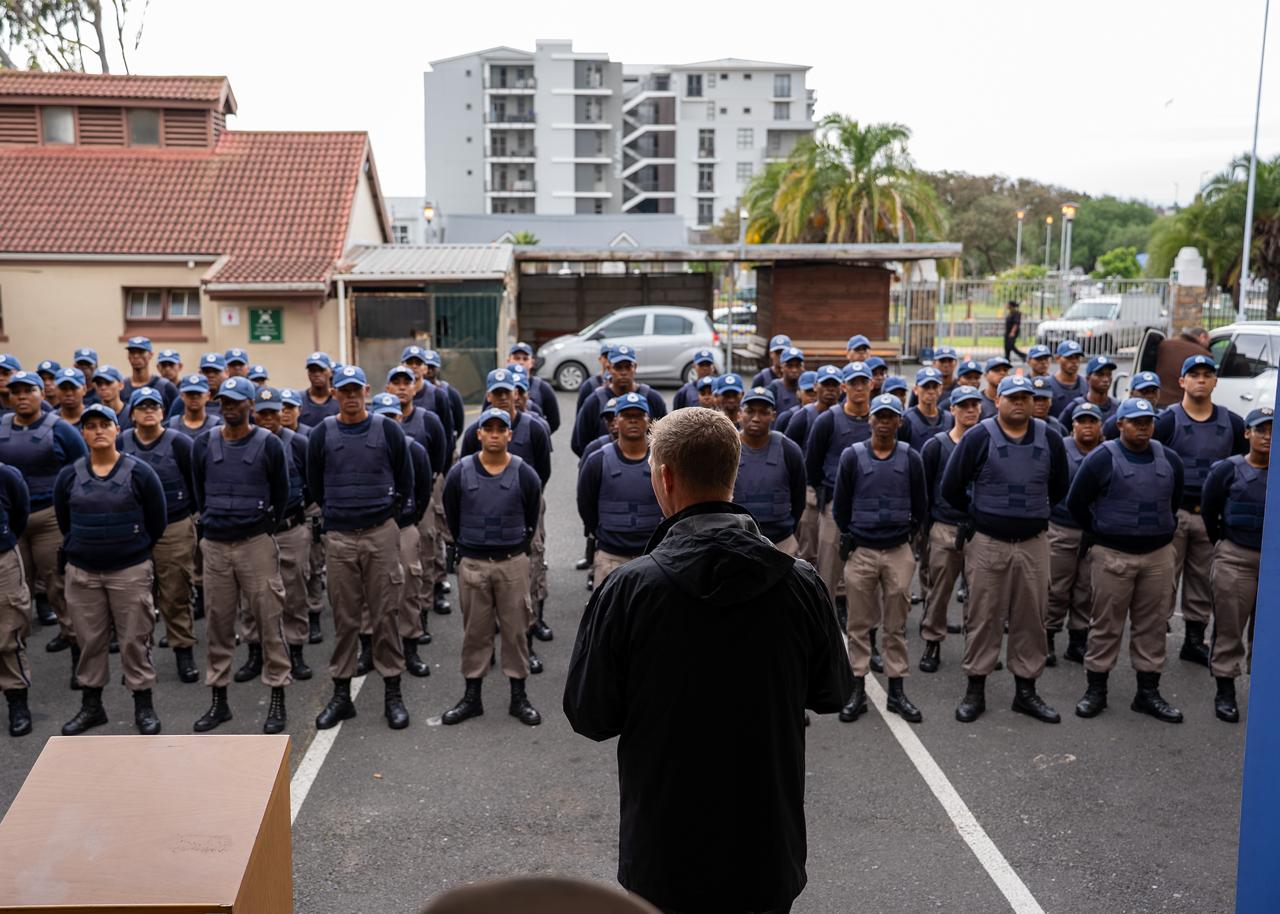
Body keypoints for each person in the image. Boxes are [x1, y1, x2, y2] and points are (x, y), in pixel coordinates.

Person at [564, 406, 853, 914]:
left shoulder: (629, 589)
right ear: (733, 475)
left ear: (665, 477)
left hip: (664, 851)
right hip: (766, 845)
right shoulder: (800, 582)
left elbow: (590, 715)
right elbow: (832, 692)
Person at [940, 375, 1068, 724]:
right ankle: (975, 689)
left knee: (1031, 617)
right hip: (988, 543)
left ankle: (1026, 691)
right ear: (997, 401)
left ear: (1033, 401)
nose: (1018, 403)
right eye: (1011, 397)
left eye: (1025, 397)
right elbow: (951, 486)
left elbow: (1059, 488)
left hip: (1033, 544)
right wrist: (980, 514)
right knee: (983, 616)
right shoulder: (979, 437)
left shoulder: (1051, 438)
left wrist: (1030, 515)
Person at [307, 365, 414, 730]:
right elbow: (315, 485)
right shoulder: (323, 433)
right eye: (344, 390)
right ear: (334, 392)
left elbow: (406, 479)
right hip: (339, 537)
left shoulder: (388, 430)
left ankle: (392, 692)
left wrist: (385, 515)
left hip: (380, 532)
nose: (351, 396)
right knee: (345, 618)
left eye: (356, 390)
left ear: (366, 390)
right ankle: (341, 694)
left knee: (385, 614)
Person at [1066, 397, 1185, 723]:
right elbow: (1077, 502)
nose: (1144, 427)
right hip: (1113, 555)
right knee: (1105, 625)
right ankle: (1096, 690)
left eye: (1148, 421)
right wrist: (1103, 532)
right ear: (1120, 425)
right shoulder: (1102, 459)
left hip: (1158, 557)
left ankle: (1147, 692)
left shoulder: (1170, 459)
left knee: (1153, 626)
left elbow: (1173, 502)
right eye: (1136, 421)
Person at [54, 403, 168, 735]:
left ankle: (143, 704)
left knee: (136, 639)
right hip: (83, 572)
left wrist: (132, 549)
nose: (99, 430)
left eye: (105, 424)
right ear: (83, 433)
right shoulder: (69, 475)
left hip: (129, 571)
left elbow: (156, 522)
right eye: (91, 426)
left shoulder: (140, 472)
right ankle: (92, 706)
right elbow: (65, 523)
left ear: (118, 430)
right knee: (89, 640)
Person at [190, 376, 291, 734]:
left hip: (255, 544)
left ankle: (277, 694)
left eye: (236, 401)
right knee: (218, 622)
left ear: (250, 404)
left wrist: (261, 526)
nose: (229, 406)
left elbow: (282, 493)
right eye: (224, 401)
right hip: (216, 545)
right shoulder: (203, 444)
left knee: (268, 618)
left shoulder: (269, 444)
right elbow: (198, 493)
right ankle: (219, 700)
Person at [440, 406, 543, 727]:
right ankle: (472, 697)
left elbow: (531, 517)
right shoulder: (460, 471)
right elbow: (451, 514)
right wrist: (467, 547)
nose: (495, 434)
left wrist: (514, 548)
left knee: (516, 632)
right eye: (489, 429)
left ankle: (519, 696)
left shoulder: (525, 473)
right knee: (476, 633)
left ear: (510, 435)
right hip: (473, 564)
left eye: (502, 429)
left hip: (512, 563)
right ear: (479, 434)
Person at [833, 393, 927, 723]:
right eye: (879, 416)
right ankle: (857, 689)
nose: (884, 422)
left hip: (898, 551)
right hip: (862, 551)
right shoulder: (852, 456)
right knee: (859, 624)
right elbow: (840, 507)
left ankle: (897, 690)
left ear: (899, 422)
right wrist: (854, 536)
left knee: (896, 625)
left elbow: (921, 505)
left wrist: (905, 537)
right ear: (870, 419)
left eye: (891, 417)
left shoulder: (911, 458)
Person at [1154, 354, 1247, 666]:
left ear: (1215, 381)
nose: (1201, 380)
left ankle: (1194, 640)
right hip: (1174, 514)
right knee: (1163, 580)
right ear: (1182, 381)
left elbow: (1242, 467)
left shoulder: (1232, 423)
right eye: (1194, 374)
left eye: (1207, 374)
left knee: (1202, 581)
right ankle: (1153, 640)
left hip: (1210, 516)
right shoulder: (1167, 420)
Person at [461, 369, 553, 660]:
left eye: (507, 392)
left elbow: (543, 472)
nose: (502, 398)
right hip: (484, 512)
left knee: (531, 565)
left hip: (524, 506)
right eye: (496, 393)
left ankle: (531, 632)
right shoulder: (474, 430)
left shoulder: (534, 427)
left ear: (517, 394)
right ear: (488, 396)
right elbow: (462, 474)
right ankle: (487, 647)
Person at [0, 371, 87, 663]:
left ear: (41, 393)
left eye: (28, 390)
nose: (21, 396)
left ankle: (77, 650)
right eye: (16, 391)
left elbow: (81, 470)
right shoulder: (1, 427)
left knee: (59, 587)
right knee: (14, 592)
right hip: (14, 523)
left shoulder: (60, 429)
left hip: (50, 518)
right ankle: (16, 662)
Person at [119, 386, 200, 684]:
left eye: (155, 406)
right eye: (142, 406)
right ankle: (140, 659)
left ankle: (183, 650)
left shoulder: (179, 442)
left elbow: (196, 483)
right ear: (132, 415)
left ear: (164, 412)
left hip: (174, 526)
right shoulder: (122, 442)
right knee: (136, 598)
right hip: (133, 530)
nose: (149, 410)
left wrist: (191, 517)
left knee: (176, 592)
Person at [1201, 406, 1271, 723]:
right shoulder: (1227, 470)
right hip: (1236, 556)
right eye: (1261, 429)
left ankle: (1265, 693)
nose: (1267, 436)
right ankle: (1225, 691)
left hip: (1273, 562)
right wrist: (1223, 539)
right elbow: (1209, 511)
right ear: (1247, 434)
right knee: (1229, 627)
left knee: (1270, 634)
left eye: (1273, 429)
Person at [248, 387, 316, 682]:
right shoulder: (245, 443)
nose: (268, 418)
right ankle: (254, 653)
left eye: (274, 412)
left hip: (291, 528)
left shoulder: (299, 443)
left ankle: (296, 651)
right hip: (254, 533)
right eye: (261, 412)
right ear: (254, 413)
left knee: (295, 591)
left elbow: (314, 484)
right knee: (251, 596)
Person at [918, 385, 983, 672]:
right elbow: (924, 488)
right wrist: (927, 526)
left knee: (980, 594)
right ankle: (933, 641)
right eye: (964, 405)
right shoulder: (936, 445)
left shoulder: (987, 441)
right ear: (952, 410)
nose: (971, 410)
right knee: (939, 590)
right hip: (944, 526)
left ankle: (977, 647)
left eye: (975, 405)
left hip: (980, 529)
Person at [370, 393, 434, 679]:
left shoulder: (414, 450)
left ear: (401, 418)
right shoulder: (366, 449)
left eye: (392, 417)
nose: (387, 422)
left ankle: (410, 648)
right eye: (381, 417)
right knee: (369, 592)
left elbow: (422, 491)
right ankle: (369, 648)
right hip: (373, 529)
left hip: (405, 527)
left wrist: (411, 520)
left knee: (409, 587)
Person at [578, 392, 663, 584]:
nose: (633, 421)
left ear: (648, 420)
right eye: (627, 416)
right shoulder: (597, 461)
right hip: (610, 556)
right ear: (616, 420)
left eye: (638, 416)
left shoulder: (662, 461)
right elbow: (586, 505)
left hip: (652, 556)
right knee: (609, 614)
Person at [806, 361, 873, 600]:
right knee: (828, 569)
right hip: (834, 503)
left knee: (866, 571)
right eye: (853, 382)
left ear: (871, 385)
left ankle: (857, 624)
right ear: (844, 386)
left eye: (863, 382)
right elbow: (812, 464)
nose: (858, 387)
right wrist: (825, 491)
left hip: (868, 504)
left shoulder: (880, 418)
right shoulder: (827, 420)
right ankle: (827, 623)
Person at [1044, 402, 1103, 667]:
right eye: (1083, 421)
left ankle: (1077, 640)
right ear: (1073, 426)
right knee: (1056, 587)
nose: (1087, 426)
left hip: (1094, 531)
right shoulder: (1060, 449)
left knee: (1086, 589)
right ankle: (1047, 636)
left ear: (1101, 425)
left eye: (1092, 421)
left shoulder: (1107, 451)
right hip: (1062, 527)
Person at [732, 388, 805, 555]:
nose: (756, 418)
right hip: (737, 542)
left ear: (773, 415)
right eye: (750, 411)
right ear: (739, 414)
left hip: (781, 542)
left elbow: (799, 498)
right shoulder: (727, 448)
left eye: (764, 412)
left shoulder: (789, 449)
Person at [571, 345, 667, 456]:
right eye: (618, 367)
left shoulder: (652, 398)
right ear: (608, 368)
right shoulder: (594, 400)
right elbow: (579, 442)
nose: (623, 372)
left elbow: (664, 438)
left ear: (635, 367)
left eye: (628, 367)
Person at [0, 461, 31, 737]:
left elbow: (20, 515)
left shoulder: (6, 474)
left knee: (7, 632)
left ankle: (16, 699)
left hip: (2, 560)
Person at [507, 342, 561, 434]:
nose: (521, 362)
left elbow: (554, 421)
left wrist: (536, 436)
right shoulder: (497, 389)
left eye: (525, 358)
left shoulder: (543, 388)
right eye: (517, 358)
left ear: (532, 362)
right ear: (508, 360)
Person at [1154, 327, 1211, 407]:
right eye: (1209, 341)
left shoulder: (1164, 344)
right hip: (1183, 403)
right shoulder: (1203, 354)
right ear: (1203, 337)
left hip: (1160, 399)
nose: (1208, 345)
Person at [1060, 356, 1118, 433]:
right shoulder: (1076, 405)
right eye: (1100, 374)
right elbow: (1060, 432)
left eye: (1109, 374)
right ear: (1088, 378)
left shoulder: (1117, 407)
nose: (1105, 379)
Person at [121, 336, 178, 411]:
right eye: (132, 352)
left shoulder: (166, 387)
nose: (136, 356)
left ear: (151, 355)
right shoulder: (122, 387)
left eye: (141, 352)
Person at [902, 367, 953, 451]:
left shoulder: (950, 419)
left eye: (934, 387)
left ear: (940, 389)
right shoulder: (906, 420)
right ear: (916, 389)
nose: (931, 391)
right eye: (926, 387)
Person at [1102, 372, 1161, 440]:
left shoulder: (1163, 420)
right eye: (1144, 391)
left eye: (1154, 391)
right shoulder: (1114, 423)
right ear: (1131, 393)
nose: (1150, 396)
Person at [168, 373, 222, 438]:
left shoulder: (218, 426)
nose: (194, 397)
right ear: (182, 396)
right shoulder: (170, 426)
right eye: (190, 393)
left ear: (208, 396)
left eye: (199, 393)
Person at [299, 351, 339, 428]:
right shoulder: (299, 400)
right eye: (312, 370)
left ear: (330, 372)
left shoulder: (339, 399)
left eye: (321, 370)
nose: (317, 374)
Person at [1048, 340, 1085, 418]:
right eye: (1069, 357)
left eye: (1077, 357)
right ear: (1057, 358)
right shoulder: (1047, 384)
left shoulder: (1086, 384)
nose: (1074, 361)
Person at [766, 347, 805, 416]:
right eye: (790, 366)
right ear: (782, 367)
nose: (794, 370)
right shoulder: (774, 388)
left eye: (797, 366)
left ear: (802, 367)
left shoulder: (806, 388)